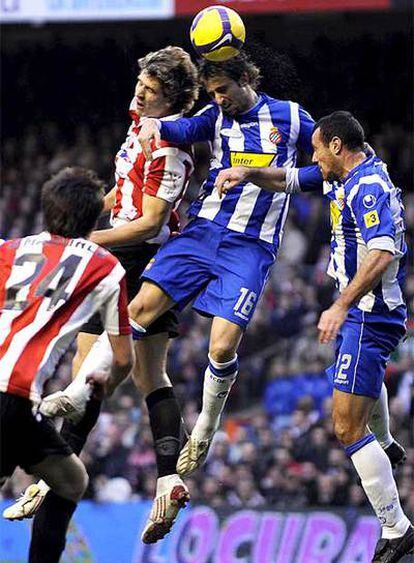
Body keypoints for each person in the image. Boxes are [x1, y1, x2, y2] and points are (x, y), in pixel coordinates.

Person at [3, 46, 199, 545]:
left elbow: (151, 221)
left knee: (92, 373)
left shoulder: (172, 148)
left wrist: (87, 241)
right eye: (141, 84)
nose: (139, 93)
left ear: (172, 98)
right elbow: (122, 190)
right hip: (126, 250)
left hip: (140, 260)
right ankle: (166, 477)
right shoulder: (140, 121)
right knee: (147, 374)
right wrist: (89, 217)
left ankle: (54, 476)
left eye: (151, 90)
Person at [215, 111, 414, 562]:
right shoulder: (346, 174)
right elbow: (289, 178)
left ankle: (395, 526)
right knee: (363, 395)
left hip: (368, 314)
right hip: (362, 313)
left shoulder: (366, 188)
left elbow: (383, 250)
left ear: (338, 147)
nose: (313, 156)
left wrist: (341, 304)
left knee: (345, 426)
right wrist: (247, 171)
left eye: (318, 148)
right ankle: (385, 444)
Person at [126, 50, 316, 477]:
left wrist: (280, 179)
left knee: (222, 345)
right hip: (203, 230)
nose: (219, 99)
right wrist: (156, 125)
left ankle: (206, 428)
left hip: (251, 245)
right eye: (212, 93)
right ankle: (85, 390)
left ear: (247, 78)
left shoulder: (290, 117)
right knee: (136, 311)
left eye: (224, 91)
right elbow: (183, 128)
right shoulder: (214, 116)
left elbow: (325, 165)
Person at [0, 167, 134, 563]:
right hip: (13, 394)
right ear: (95, 220)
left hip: (18, 401)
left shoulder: (11, 249)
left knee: (70, 479)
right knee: (69, 484)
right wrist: (108, 382)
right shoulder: (106, 266)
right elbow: (122, 357)